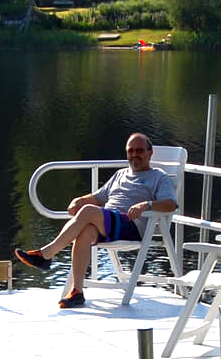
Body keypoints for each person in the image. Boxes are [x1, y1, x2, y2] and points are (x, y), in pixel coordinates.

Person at [14, 132, 178, 308]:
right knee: (84, 231)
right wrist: (79, 200)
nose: (134, 155)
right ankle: (77, 291)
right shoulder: (120, 174)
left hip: (131, 224)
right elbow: (98, 197)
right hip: (109, 221)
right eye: (130, 151)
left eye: (139, 150)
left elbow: (171, 204)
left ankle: (46, 254)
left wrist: (146, 205)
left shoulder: (158, 177)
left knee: (88, 212)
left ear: (149, 153)